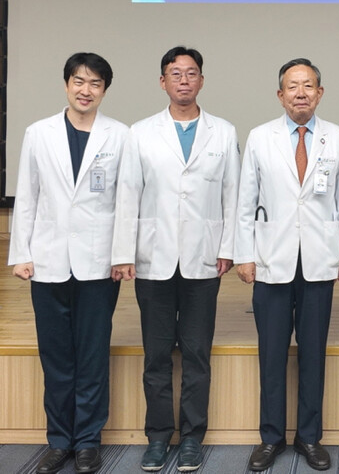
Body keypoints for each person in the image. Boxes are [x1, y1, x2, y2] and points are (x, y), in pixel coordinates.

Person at [112, 46, 240, 472]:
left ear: (202, 80)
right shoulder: (140, 132)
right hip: (154, 258)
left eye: (191, 73)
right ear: (162, 81)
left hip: (204, 259)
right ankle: (157, 436)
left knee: (197, 353)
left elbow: (232, 194)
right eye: (175, 73)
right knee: (156, 354)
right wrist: (124, 252)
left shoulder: (223, 132)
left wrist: (228, 248)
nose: (184, 80)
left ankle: (191, 438)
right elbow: (128, 194)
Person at [9, 53, 128, 474]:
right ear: (66, 85)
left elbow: (125, 200)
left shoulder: (120, 135)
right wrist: (21, 253)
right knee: (56, 356)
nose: (85, 90)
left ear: (104, 90)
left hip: (99, 264)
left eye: (95, 83)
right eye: (79, 81)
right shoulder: (38, 133)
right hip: (48, 261)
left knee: (92, 355)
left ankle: (88, 441)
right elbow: (28, 195)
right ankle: (59, 440)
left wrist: (122, 255)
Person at [234, 58, 339, 472]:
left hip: (320, 260)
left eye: (308, 85)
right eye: (292, 86)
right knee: (271, 354)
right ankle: (271, 437)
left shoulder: (337, 137)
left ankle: (309, 437)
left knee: (313, 353)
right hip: (272, 259)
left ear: (320, 93)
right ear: (280, 94)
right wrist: (245, 254)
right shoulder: (260, 137)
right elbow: (245, 201)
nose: (300, 93)